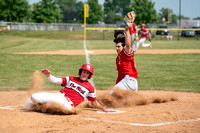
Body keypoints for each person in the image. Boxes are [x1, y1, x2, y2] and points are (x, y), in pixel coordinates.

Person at [31, 64, 114, 112]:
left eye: (87, 73)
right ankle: (43, 106)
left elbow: (94, 103)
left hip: (69, 104)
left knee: (63, 109)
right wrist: (48, 75)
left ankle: (47, 106)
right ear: (80, 72)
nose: (85, 74)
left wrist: (104, 109)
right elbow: (56, 80)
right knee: (33, 97)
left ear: (89, 75)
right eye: (84, 71)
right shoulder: (71, 79)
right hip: (60, 97)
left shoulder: (90, 88)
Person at [110, 11, 138, 92]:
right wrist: (116, 86)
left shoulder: (126, 53)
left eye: (118, 46)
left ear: (123, 47)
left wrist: (127, 29)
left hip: (129, 81)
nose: (116, 48)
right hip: (126, 84)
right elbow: (120, 76)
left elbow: (128, 45)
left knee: (108, 96)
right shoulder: (118, 58)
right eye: (116, 46)